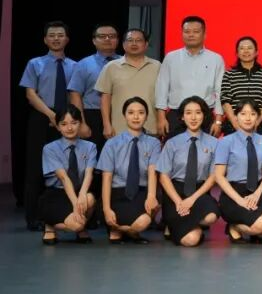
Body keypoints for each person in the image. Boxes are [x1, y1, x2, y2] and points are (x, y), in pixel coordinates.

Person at [19, 21, 76, 230]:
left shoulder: (75, 66)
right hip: (41, 117)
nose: (56, 38)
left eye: (60, 35)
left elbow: (75, 94)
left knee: (65, 168)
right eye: (51, 35)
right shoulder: (35, 63)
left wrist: (65, 119)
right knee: (35, 168)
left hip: (67, 119)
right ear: (45, 40)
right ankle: (33, 218)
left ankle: (63, 214)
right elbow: (30, 94)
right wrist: (51, 115)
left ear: (67, 39)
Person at [214, 99, 262, 244]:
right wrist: (239, 200)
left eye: (252, 114)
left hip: (255, 190)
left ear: (257, 117)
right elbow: (219, 176)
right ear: (236, 117)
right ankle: (234, 227)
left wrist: (257, 194)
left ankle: (252, 228)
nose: (248, 118)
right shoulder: (226, 141)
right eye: (243, 114)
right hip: (233, 193)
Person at [154, 96, 220, 247]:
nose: (193, 117)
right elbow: (163, 177)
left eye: (198, 112)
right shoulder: (172, 143)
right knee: (191, 240)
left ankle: (184, 224)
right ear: (182, 117)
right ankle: (178, 224)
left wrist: (192, 199)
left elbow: (213, 177)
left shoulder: (214, 143)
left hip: (199, 192)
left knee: (211, 216)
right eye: (188, 113)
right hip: (175, 192)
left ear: (204, 115)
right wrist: (179, 202)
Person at [97, 97, 160, 244]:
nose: (136, 117)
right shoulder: (112, 143)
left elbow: (152, 172)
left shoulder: (154, 143)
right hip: (116, 193)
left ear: (146, 116)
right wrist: (106, 209)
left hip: (141, 192)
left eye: (141, 113)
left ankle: (121, 230)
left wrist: (151, 196)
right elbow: (107, 178)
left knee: (143, 221)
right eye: (131, 112)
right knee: (115, 217)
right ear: (124, 115)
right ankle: (126, 230)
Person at [155, 15, 226, 140]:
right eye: (187, 31)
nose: (191, 35)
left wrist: (218, 121)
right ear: (182, 34)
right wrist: (161, 118)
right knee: (173, 150)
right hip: (176, 115)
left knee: (207, 151)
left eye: (196, 31)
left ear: (204, 34)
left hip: (205, 115)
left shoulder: (216, 59)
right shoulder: (171, 57)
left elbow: (221, 91)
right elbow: (162, 88)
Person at [38, 106, 97, 244]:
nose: (69, 128)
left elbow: (89, 174)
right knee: (76, 225)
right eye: (64, 124)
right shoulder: (50, 148)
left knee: (89, 198)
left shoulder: (90, 147)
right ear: (58, 126)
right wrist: (76, 204)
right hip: (56, 194)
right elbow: (64, 178)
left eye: (74, 123)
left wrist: (82, 194)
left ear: (80, 123)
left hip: (78, 190)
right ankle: (50, 225)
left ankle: (80, 227)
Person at [96, 27, 160, 139]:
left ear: (146, 44)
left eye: (138, 40)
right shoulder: (111, 67)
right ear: (123, 44)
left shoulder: (157, 66)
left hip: (151, 128)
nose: (134, 43)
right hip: (119, 130)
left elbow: (162, 98)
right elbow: (105, 98)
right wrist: (106, 125)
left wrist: (161, 121)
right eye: (130, 40)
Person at [67, 23, 119, 149]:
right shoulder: (83, 64)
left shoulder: (125, 63)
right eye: (102, 36)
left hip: (120, 115)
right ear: (94, 41)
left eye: (112, 36)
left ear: (118, 40)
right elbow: (75, 95)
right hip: (92, 117)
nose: (107, 39)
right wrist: (81, 123)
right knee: (91, 157)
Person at [220, 36, 262, 135]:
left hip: (258, 125)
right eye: (242, 48)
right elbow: (225, 100)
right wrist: (235, 123)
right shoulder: (229, 75)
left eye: (249, 48)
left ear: (256, 52)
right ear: (237, 53)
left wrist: (257, 121)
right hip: (233, 126)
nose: (246, 51)